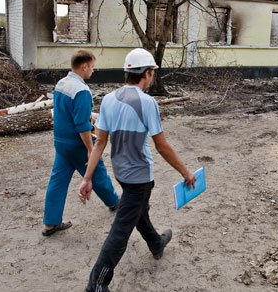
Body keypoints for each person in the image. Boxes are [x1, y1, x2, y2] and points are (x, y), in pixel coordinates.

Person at [78, 48, 196, 292]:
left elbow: (99, 143)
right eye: (152, 72)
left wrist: (87, 177)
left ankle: (156, 243)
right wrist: (186, 172)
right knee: (121, 229)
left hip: (121, 173)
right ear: (148, 74)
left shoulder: (108, 100)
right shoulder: (147, 103)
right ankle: (96, 284)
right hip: (140, 178)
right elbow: (161, 145)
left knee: (137, 211)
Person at [42, 49, 119, 237]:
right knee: (97, 172)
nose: (93, 70)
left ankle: (50, 223)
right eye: (92, 67)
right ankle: (115, 202)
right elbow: (82, 126)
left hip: (61, 142)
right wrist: (91, 149)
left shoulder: (61, 84)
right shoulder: (82, 91)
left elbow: (66, 113)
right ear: (84, 66)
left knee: (57, 180)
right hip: (77, 143)